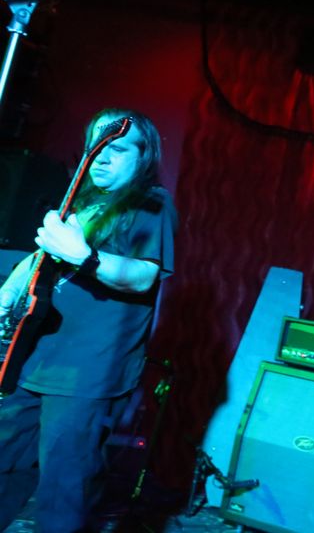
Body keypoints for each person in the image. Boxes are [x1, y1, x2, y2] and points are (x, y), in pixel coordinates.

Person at [0, 108, 177, 531]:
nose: (101, 157)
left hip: (87, 373)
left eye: (117, 149)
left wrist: (85, 256)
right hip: (36, 359)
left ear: (143, 157)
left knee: (64, 490)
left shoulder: (151, 203)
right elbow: (42, 256)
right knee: (5, 466)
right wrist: (8, 293)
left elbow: (144, 276)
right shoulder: (83, 203)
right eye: (94, 148)